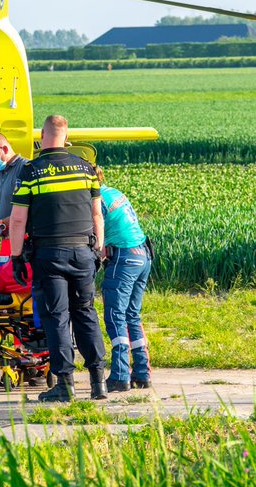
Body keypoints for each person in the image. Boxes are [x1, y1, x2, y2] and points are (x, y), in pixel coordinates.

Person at [8, 115, 108, 402]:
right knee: (86, 313)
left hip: (48, 254)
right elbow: (96, 215)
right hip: (83, 252)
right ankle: (98, 383)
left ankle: (65, 384)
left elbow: (17, 220)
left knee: (57, 318)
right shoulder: (85, 169)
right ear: (66, 136)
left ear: (42, 135)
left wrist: (16, 257)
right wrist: (97, 249)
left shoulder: (30, 171)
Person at [97, 168, 152, 392]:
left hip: (123, 258)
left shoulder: (96, 200)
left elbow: (96, 236)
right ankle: (142, 373)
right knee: (132, 315)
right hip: (143, 254)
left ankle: (120, 376)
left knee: (115, 315)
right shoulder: (112, 192)